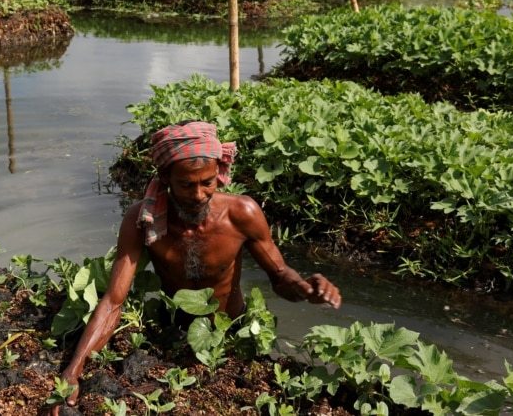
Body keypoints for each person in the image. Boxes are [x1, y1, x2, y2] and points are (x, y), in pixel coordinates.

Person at [54, 120, 340, 412]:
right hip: (173, 330)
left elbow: (280, 276)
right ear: (166, 177)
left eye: (208, 182)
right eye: (186, 185)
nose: (199, 195)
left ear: (218, 172)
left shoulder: (242, 213)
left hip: (230, 331)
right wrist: (73, 371)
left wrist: (304, 289)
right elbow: (114, 300)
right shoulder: (141, 221)